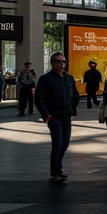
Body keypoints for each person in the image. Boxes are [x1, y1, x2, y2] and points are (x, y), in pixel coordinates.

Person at [35, 51, 80, 182]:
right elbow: (39, 98)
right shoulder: (46, 79)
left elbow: (75, 94)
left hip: (66, 116)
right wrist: (46, 115)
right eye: (58, 61)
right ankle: (54, 172)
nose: (62, 64)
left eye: (63, 61)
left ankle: (57, 168)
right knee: (58, 144)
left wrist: (72, 107)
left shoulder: (69, 78)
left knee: (65, 144)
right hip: (54, 117)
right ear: (52, 63)